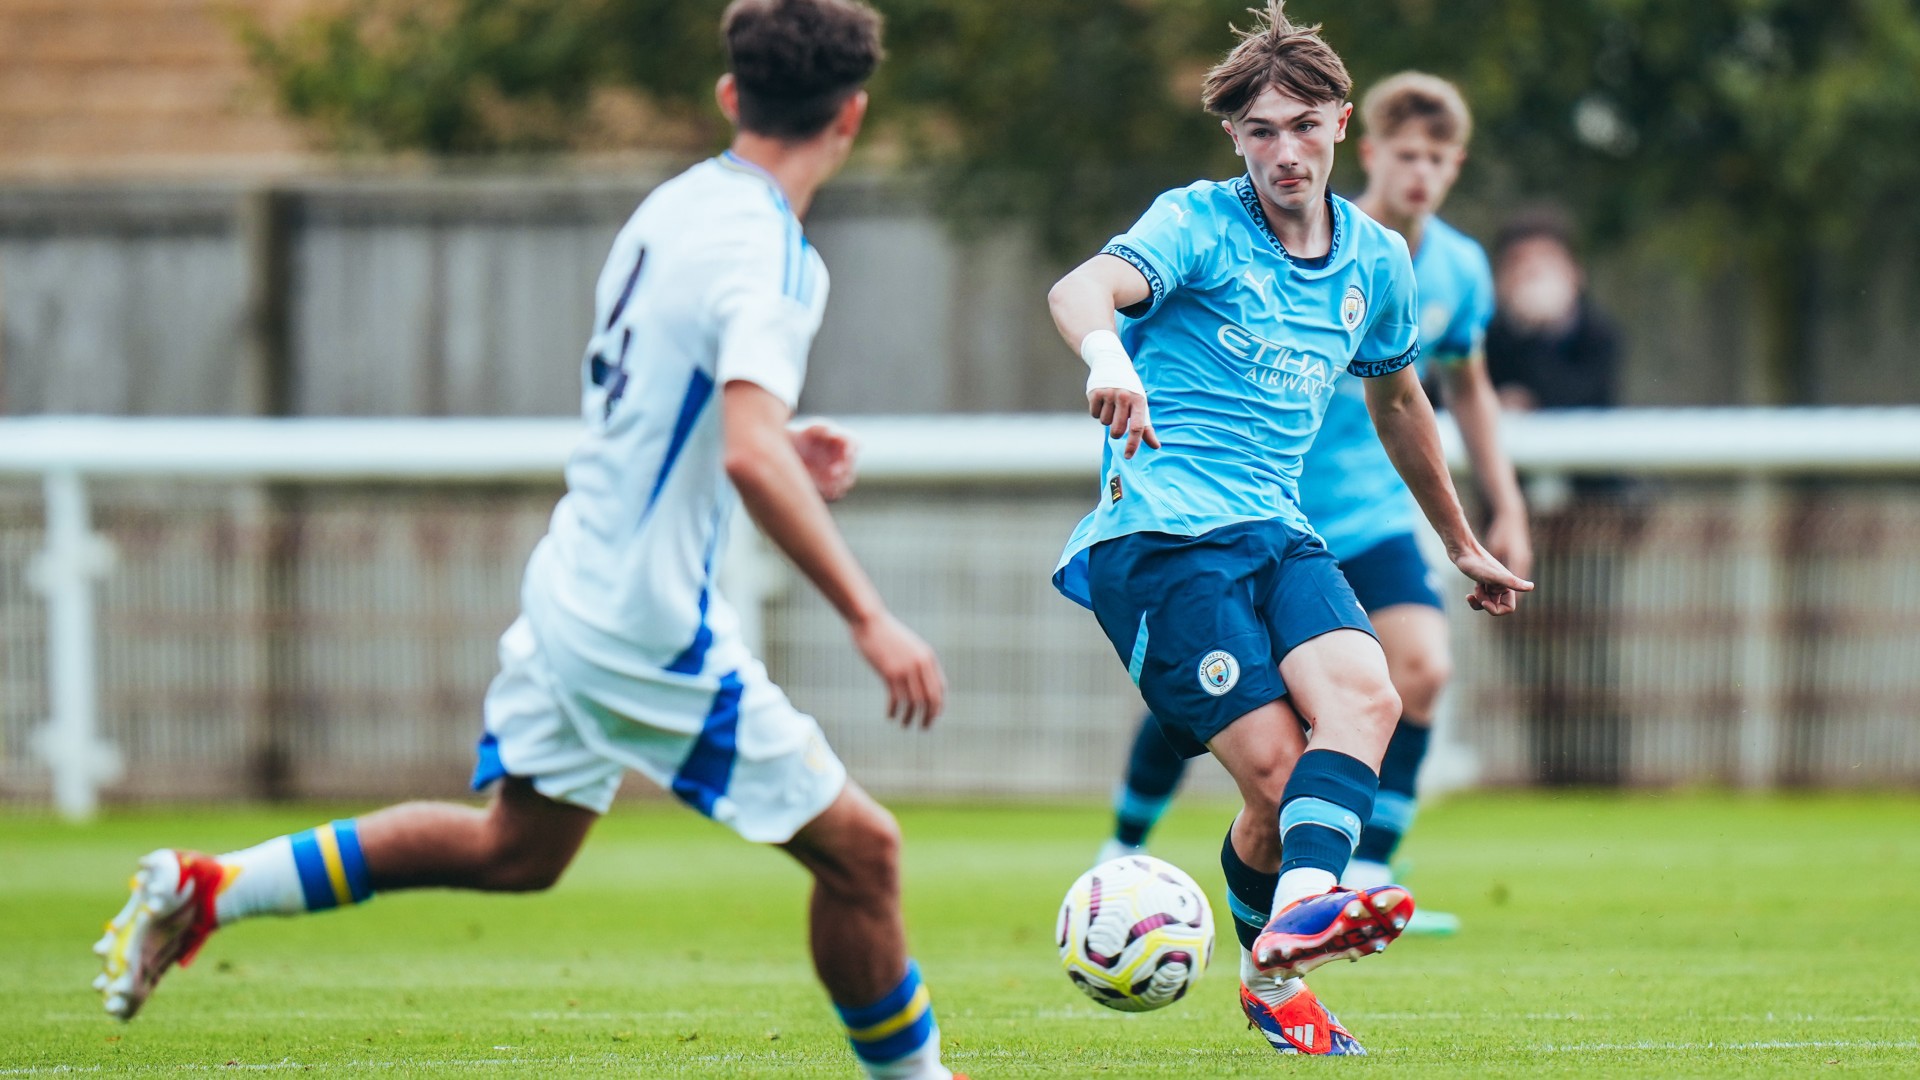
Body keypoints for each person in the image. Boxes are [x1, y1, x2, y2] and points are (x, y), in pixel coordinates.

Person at [92, 4, 962, 1077]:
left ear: (732, 96)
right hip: (643, 620)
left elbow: (693, 407)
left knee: (517, 847)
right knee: (863, 853)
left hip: (572, 582)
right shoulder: (779, 256)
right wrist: (869, 616)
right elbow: (742, 452)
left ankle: (210, 886)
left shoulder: (674, 207)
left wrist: (778, 438)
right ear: (856, 114)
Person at [1045, 3, 1530, 1057]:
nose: (1284, 150)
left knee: (1371, 694)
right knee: (1272, 775)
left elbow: (1401, 401)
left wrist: (1459, 538)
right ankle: (1289, 954)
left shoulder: (1376, 262)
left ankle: (1282, 952)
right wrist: (1108, 356)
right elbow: (1081, 287)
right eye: (1261, 129)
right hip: (1161, 542)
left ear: (1340, 125)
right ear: (1236, 138)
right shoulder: (1195, 223)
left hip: (1278, 527)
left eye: (1303, 125)